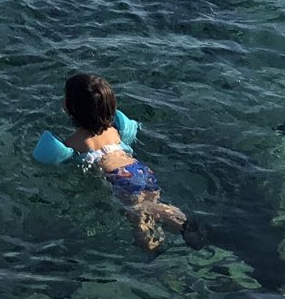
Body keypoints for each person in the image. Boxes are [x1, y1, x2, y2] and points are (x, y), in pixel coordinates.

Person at [48, 72, 200, 253]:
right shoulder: (113, 131)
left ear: (69, 106)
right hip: (141, 170)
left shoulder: (74, 142)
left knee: (139, 218)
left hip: (119, 179)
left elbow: (63, 160)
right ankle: (184, 226)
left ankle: (155, 251)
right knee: (153, 205)